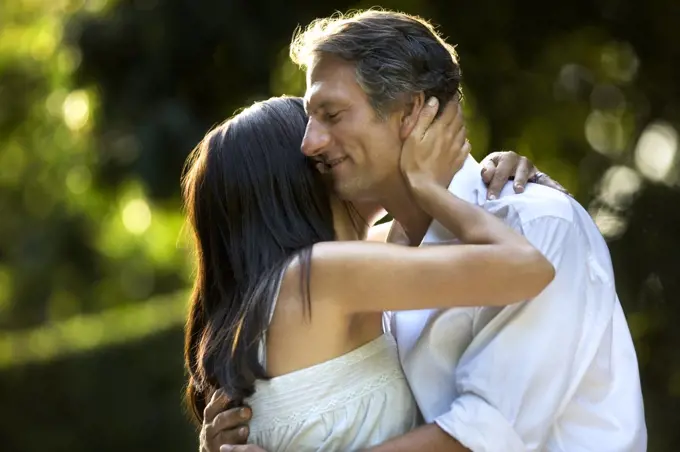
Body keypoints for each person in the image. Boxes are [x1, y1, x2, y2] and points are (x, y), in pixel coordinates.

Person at [206, 9, 646, 452]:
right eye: (309, 120)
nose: (310, 143)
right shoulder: (381, 255)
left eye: (332, 114)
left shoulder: (533, 223)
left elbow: (484, 436)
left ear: (411, 112)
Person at [183, 95, 555, 451]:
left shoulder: (307, 284)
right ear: (303, 180)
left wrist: (486, 179)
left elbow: (412, 232)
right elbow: (528, 268)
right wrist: (427, 185)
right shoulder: (319, 276)